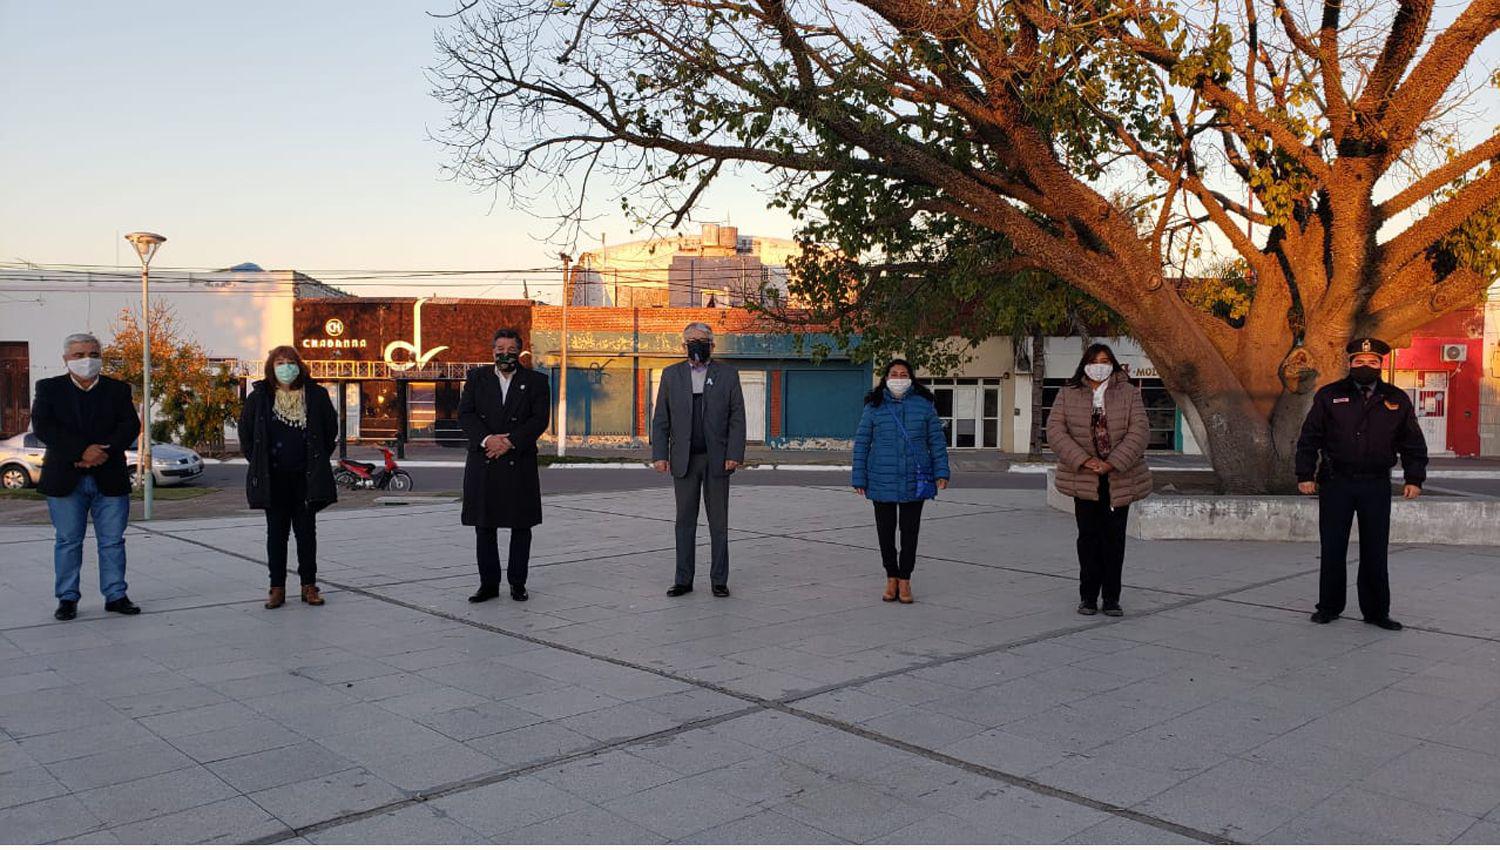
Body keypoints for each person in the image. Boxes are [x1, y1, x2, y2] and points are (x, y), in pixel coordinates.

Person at [1296, 337, 1427, 631]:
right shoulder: (1329, 396)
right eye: (1359, 361)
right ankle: (1329, 607)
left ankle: (1377, 612)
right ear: (1350, 363)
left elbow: (1412, 443)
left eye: (1372, 362)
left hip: (1375, 485)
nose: (1365, 366)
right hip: (1336, 483)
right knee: (1332, 547)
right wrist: (1304, 475)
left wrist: (1414, 478)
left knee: (1375, 550)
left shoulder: (1396, 398)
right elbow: (1309, 438)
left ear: (1381, 365)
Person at [30, 333, 143, 621]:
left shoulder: (117, 389)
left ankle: (116, 595)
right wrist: (81, 451)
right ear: (66, 359)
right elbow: (44, 427)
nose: (87, 360)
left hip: (109, 476)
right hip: (66, 477)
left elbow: (130, 424)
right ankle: (67, 598)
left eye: (93, 354)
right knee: (68, 540)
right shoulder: (49, 388)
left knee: (113, 541)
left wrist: (104, 451)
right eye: (79, 355)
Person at [1046, 343, 1152, 617]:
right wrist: (1084, 460)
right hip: (1084, 477)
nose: (1099, 365)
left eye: (1105, 360)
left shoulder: (1129, 393)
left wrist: (1112, 462)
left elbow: (1139, 431)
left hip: (1119, 477)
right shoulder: (1068, 393)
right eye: (1094, 361)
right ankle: (1088, 597)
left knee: (1114, 539)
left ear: (1113, 364)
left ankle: (1112, 598)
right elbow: (1056, 431)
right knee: (1088, 538)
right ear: (1084, 364)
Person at [652, 322, 746, 598]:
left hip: (717, 460)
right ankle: (683, 579)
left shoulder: (728, 375)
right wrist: (659, 454)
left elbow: (737, 418)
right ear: (683, 346)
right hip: (684, 460)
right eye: (691, 340)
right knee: (684, 521)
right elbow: (661, 419)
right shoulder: (671, 376)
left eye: (701, 340)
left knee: (718, 522)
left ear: (712, 345)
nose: (696, 344)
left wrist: (734, 454)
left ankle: (719, 580)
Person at [239, 346, 339, 609]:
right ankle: (277, 588)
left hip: (305, 479)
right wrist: (259, 462)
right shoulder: (260, 397)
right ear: (272, 367)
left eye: (290, 362)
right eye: (280, 362)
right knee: (276, 535)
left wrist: (316, 459)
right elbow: (247, 436)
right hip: (274, 479)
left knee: (306, 534)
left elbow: (330, 432)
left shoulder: (316, 395)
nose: (286, 367)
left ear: (299, 365)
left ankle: (309, 586)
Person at [459, 328, 551, 603]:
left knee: (520, 526)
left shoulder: (535, 381)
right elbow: (466, 414)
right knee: (484, 527)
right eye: (500, 349)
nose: (504, 354)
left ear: (519, 352)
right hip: (484, 460)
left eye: (510, 349)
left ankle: (517, 583)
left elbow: (539, 420)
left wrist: (509, 442)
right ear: (493, 351)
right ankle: (488, 585)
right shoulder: (477, 378)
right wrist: (488, 440)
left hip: (517, 461)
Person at [851, 359, 950, 604]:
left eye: (903, 373)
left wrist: (942, 472)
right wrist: (859, 477)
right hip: (881, 479)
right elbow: (862, 443)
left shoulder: (924, 405)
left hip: (914, 480)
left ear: (911, 377)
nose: (898, 377)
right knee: (885, 532)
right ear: (885, 378)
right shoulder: (874, 406)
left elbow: (936, 442)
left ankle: (905, 579)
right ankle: (891, 577)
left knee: (909, 532)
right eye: (894, 373)